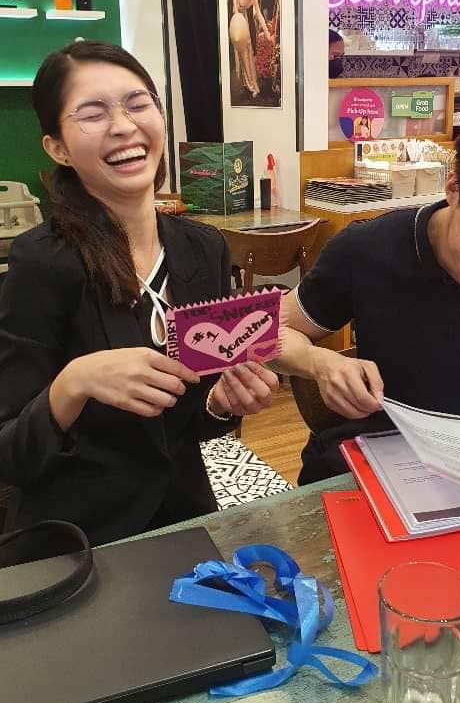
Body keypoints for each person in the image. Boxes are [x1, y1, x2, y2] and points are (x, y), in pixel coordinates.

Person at [0, 41, 278, 544]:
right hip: (80, 538)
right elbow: (11, 454)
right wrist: (75, 382)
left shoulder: (203, 249)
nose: (123, 126)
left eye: (137, 103)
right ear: (58, 148)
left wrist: (222, 403)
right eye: (93, 113)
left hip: (184, 519)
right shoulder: (42, 262)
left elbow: (188, 425)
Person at [275, 105, 460, 502]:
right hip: (374, 468)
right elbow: (267, 333)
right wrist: (319, 363)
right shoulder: (370, 249)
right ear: (454, 188)